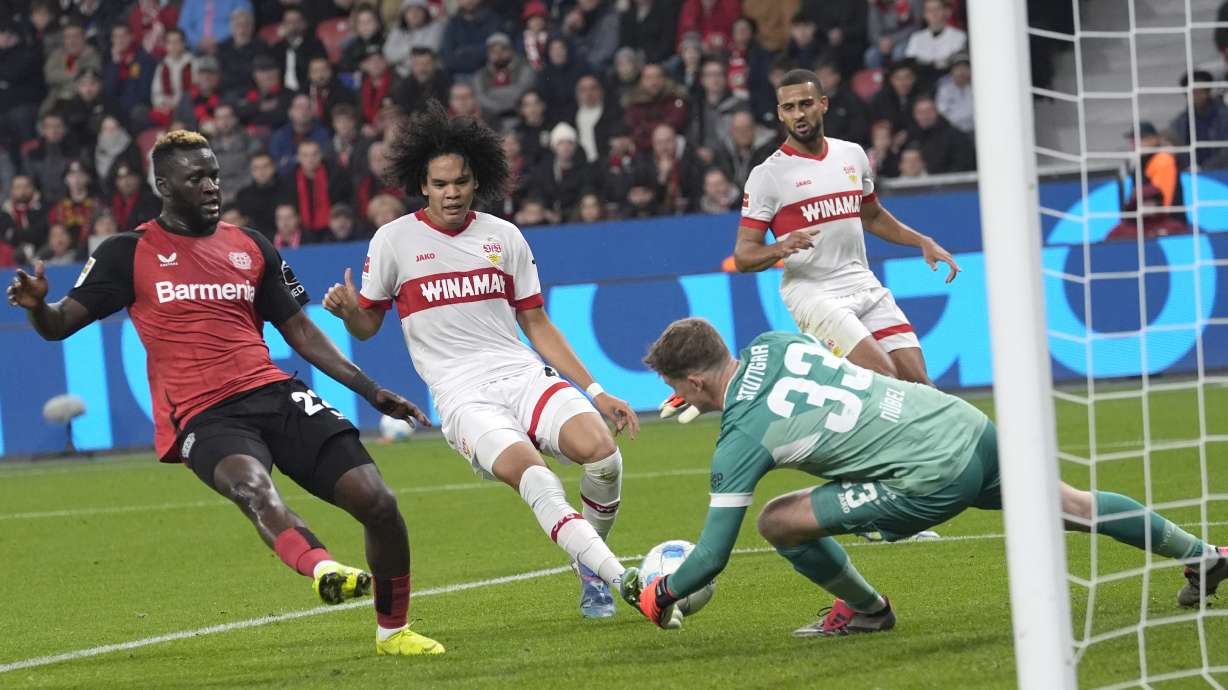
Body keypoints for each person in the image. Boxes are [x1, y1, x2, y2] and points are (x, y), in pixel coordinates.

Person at [7, 130, 444, 656]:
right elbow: (58, 325)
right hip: (204, 416)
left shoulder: (251, 245)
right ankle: (323, 568)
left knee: (379, 502)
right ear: (164, 185)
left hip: (275, 394)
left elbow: (300, 332)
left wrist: (371, 391)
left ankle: (394, 633)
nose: (212, 186)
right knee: (255, 491)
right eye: (197, 178)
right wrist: (36, 304)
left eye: (214, 174)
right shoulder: (128, 253)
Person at [624, 318, 1228, 633]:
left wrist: (659, 593)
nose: (671, 396)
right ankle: (1203, 554)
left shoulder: (739, 441)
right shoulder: (773, 342)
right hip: (958, 422)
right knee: (1071, 504)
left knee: (778, 521)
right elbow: (786, 388)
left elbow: (710, 556)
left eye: (673, 387)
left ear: (694, 382)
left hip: (927, 476)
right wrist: (714, 399)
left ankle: (866, 610)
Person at [322, 104, 657, 622]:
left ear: (478, 182)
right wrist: (348, 314)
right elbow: (368, 324)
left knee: (603, 456)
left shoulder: (504, 237)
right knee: (536, 477)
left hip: (522, 374)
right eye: (440, 184)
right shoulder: (394, 241)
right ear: (423, 185)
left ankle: (589, 566)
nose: (451, 192)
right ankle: (619, 577)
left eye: (461, 181)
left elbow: (538, 322)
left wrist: (595, 389)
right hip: (463, 395)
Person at [731, 69, 960, 385]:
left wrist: (921, 240)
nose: (798, 114)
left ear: (823, 104)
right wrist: (779, 248)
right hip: (814, 292)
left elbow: (873, 216)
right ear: (780, 114)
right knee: (884, 382)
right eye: (789, 107)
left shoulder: (851, 155)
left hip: (861, 281)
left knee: (921, 388)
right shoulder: (767, 175)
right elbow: (743, 256)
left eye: (806, 104)